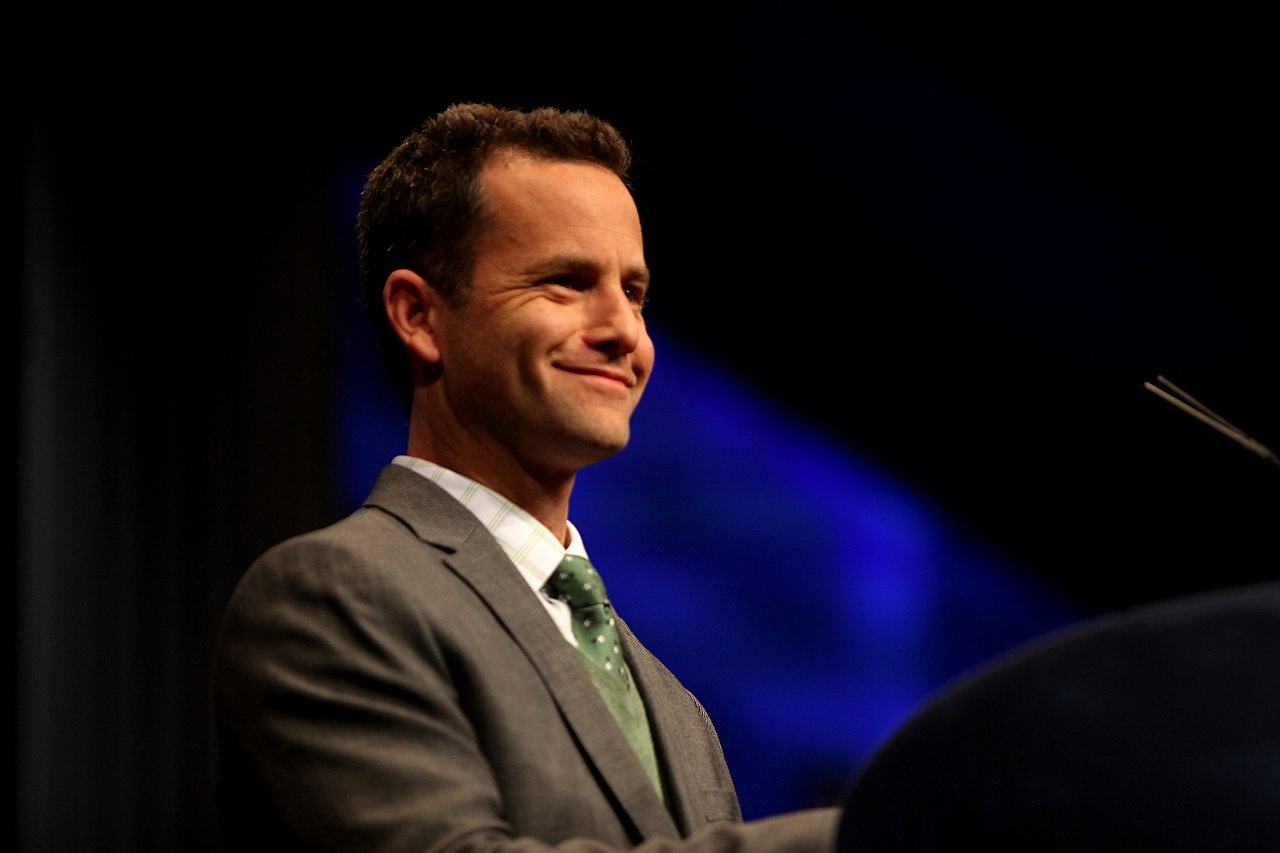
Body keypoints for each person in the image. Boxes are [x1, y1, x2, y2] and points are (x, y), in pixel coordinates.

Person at [212, 102, 838, 851]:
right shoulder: (332, 596)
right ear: (418, 315)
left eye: (633, 292)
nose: (623, 332)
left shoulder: (676, 706)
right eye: (566, 282)